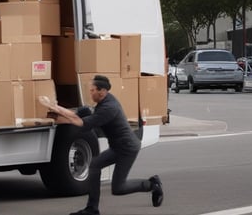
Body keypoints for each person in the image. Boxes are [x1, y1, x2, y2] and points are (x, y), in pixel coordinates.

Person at [41, 75, 163, 215]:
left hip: (127, 148)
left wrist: (54, 106)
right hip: (117, 146)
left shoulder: (109, 108)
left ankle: (152, 184)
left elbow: (78, 121)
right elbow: (77, 114)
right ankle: (92, 208)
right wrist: (56, 116)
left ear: (102, 91)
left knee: (118, 188)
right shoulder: (104, 101)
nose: (90, 93)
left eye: (93, 90)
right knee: (94, 166)